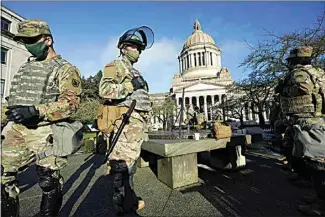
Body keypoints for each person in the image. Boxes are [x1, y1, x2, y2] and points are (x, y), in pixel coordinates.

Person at [1, 20, 83, 217]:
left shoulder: (65, 68)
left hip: (46, 130)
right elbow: (13, 102)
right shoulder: (26, 68)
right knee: (3, 177)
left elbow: (71, 104)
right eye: (24, 41)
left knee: (48, 180)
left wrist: (36, 111)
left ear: (48, 40)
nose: (27, 45)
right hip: (17, 130)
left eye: (31, 40)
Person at [98, 26, 154, 216]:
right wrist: (130, 85)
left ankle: (129, 199)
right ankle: (124, 209)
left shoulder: (136, 71)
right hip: (125, 123)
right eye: (134, 47)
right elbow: (104, 90)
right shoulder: (115, 66)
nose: (137, 51)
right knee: (121, 169)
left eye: (139, 48)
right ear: (123, 48)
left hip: (136, 126)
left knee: (130, 168)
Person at [275, 46, 325, 216]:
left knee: (316, 162)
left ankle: (321, 205)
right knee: (309, 159)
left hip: (307, 121)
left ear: (295, 60)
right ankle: (317, 195)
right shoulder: (319, 72)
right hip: (316, 120)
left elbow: (303, 89)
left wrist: (283, 89)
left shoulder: (300, 73)